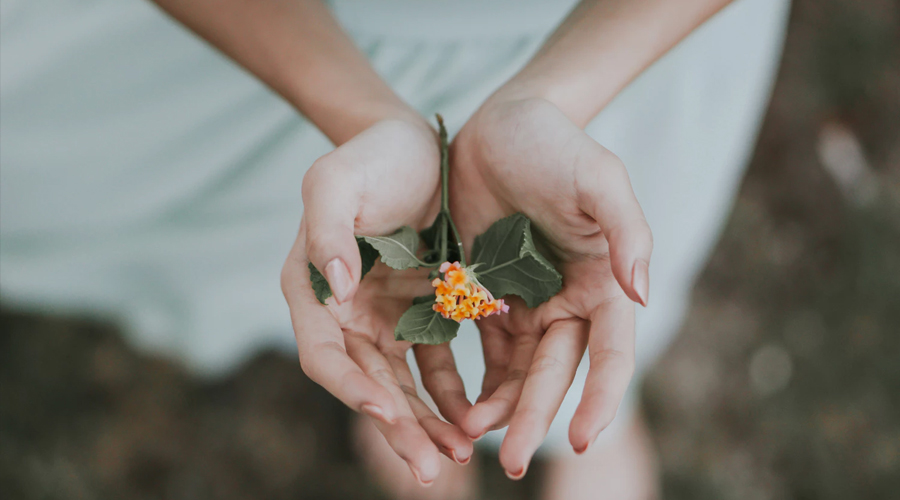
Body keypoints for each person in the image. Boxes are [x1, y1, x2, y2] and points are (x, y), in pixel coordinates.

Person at [0, 0, 790, 498]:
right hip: (295, 41)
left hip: (621, 44)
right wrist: (356, 109)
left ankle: (598, 420)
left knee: (597, 262)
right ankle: (439, 422)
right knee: (332, 260)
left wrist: (551, 96)